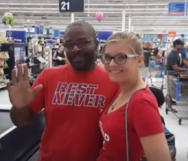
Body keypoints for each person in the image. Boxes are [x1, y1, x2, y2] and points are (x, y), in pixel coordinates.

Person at [7, 22, 119, 161]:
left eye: (83, 42)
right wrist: (20, 107)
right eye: (69, 44)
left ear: (96, 44)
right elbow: (21, 121)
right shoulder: (48, 77)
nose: (75, 49)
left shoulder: (114, 82)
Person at [97, 32, 171, 161]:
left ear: (139, 61)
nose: (112, 64)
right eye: (107, 57)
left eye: (121, 57)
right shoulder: (121, 91)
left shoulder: (141, 103)